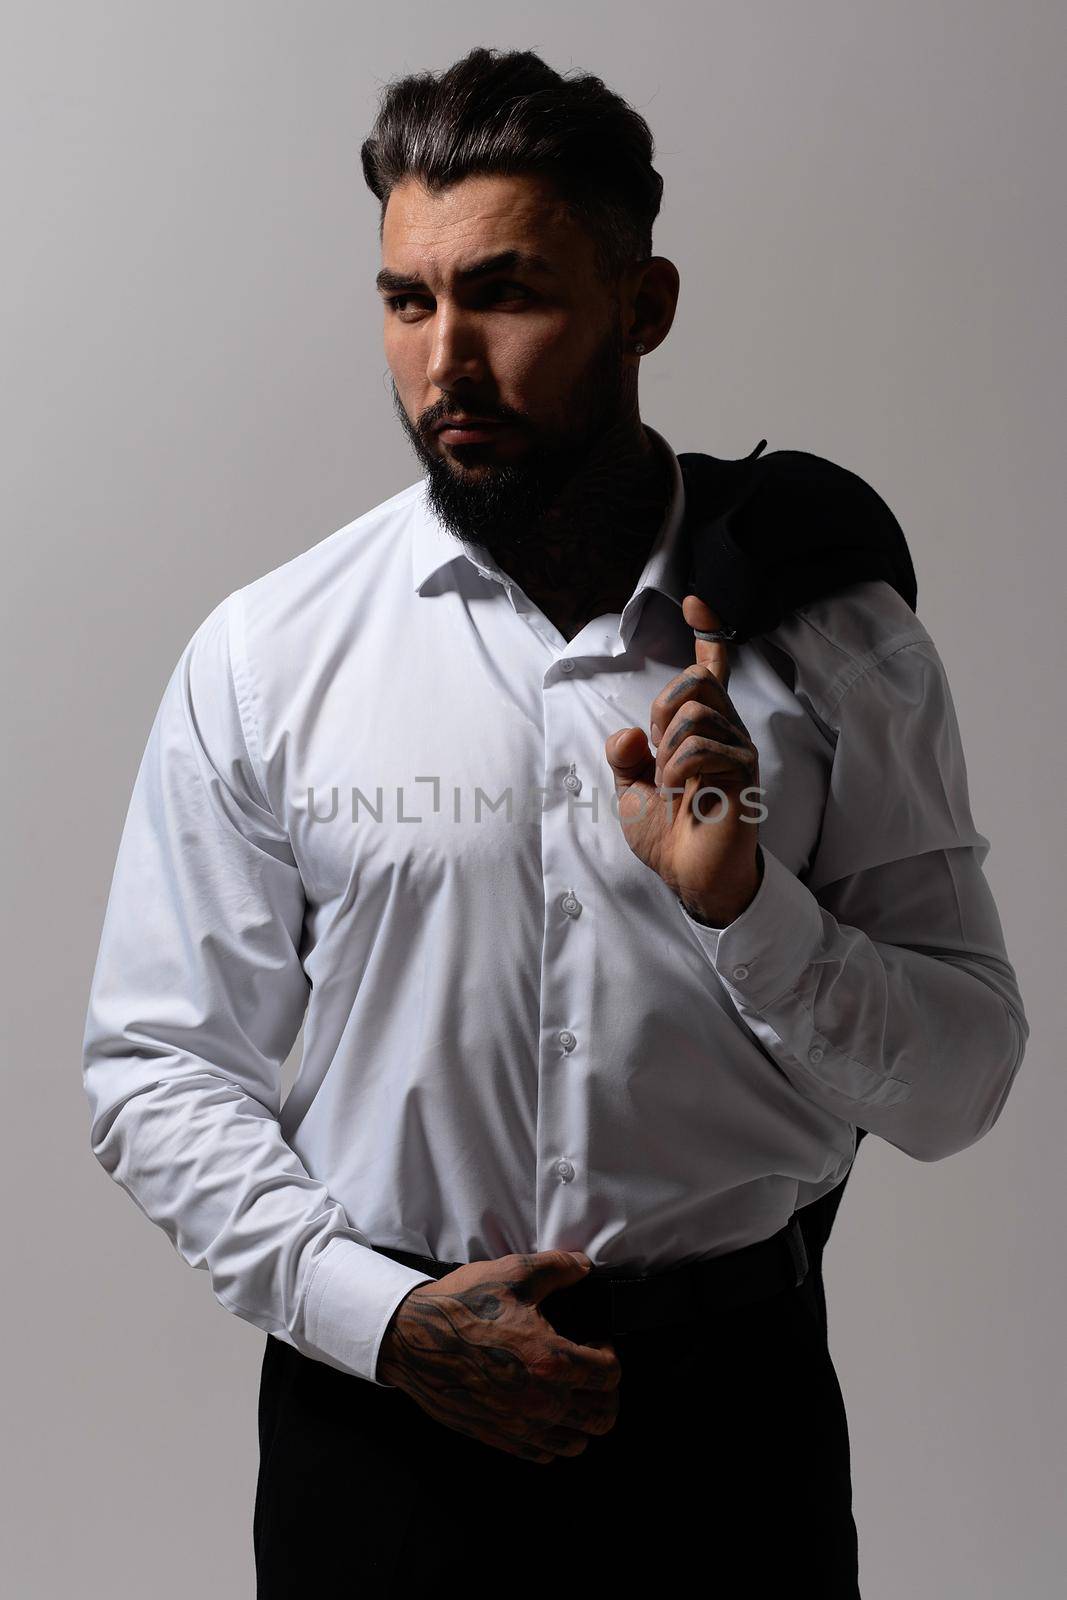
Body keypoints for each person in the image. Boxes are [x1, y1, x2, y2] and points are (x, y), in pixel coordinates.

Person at [81, 47, 1029, 1598]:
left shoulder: (836, 645)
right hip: (379, 1425)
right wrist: (374, 1318)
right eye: (407, 301)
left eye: (504, 296)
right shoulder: (265, 660)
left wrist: (751, 915)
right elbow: (155, 1066)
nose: (446, 360)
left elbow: (963, 1081)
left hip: (732, 1434)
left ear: (643, 308)